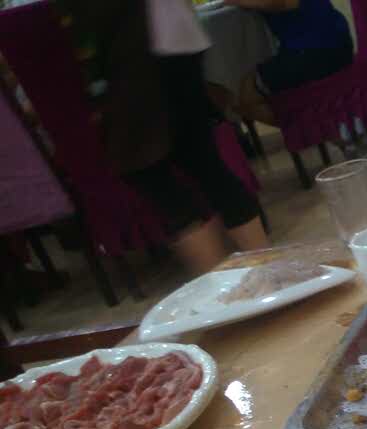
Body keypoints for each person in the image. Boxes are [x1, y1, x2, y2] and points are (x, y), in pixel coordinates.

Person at [62, 0, 267, 273]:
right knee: (203, 165)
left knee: (154, 173)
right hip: (170, 40)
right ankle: (265, 271)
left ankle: (229, 281)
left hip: (139, 53)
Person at [226, 0, 355, 125]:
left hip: (315, 51)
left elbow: (282, 3)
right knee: (245, 93)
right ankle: (317, 128)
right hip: (336, 44)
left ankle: (316, 129)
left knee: (247, 94)